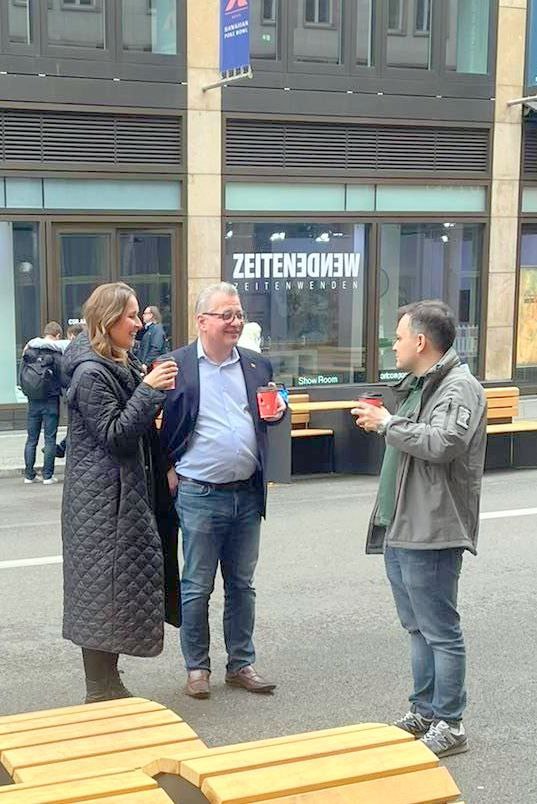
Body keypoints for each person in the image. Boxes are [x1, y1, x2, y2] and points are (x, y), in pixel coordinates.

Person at [352, 300, 486, 758]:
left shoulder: (459, 387)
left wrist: (387, 423)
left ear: (421, 341)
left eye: (398, 337)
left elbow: (445, 442)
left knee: (439, 630)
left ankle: (451, 722)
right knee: (417, 628)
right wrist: (387, 421)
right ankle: (425, 711)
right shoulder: (421, 384)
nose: (394, 346)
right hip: (403, 524)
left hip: (432, 528)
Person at [160, 282, 286, 699]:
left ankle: (241, 664)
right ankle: (197, 668)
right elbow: (150, 421)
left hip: (247, 492)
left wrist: (278, 411)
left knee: (242, 585)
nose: (235, 322)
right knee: (197, 586)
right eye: (226, 315)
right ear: (202, 321)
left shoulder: (256, 365)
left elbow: (268, 411)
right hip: (199, 493)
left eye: (239, 314)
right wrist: (167, 467)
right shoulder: (175, 365)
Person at [61, 282, 180, 704]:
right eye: (130, 316)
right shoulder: (91, 373)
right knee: (99, 591)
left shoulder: (119, 361)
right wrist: (149, 390)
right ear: (108, 320)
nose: (138, 324)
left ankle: (109, 683)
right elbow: (115, 434)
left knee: (113, 590)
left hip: (117, 497)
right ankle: (99, 691)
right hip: (99, 502)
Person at [21, 321, 65, 485]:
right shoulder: (55, 353)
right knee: (50, 438)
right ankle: (47, 476)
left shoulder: (29, 350)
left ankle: (29, 475)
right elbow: (63, 377)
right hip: (51, 400)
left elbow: (22, 375)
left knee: (31, 438)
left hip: (33, 401)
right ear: (57, 335)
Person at [54, 323, 85, 459]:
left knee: (78, 425)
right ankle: (63, 446)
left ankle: (63, 447)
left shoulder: (74, 348)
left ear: (72, 336)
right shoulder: (86, 349)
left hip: (75, 392)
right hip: (79, 391)